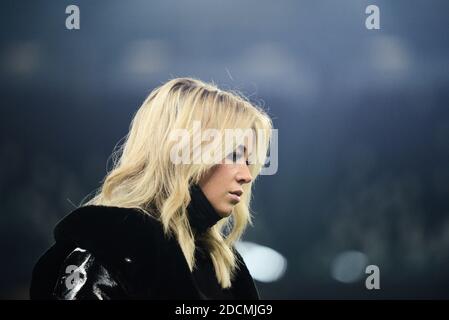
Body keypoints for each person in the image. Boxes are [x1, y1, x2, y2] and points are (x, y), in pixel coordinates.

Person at [29, 77, 273, 300]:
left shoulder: (225, 268)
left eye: (249, 161)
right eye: (233, 155)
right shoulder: (109, 246)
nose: (246, 175)